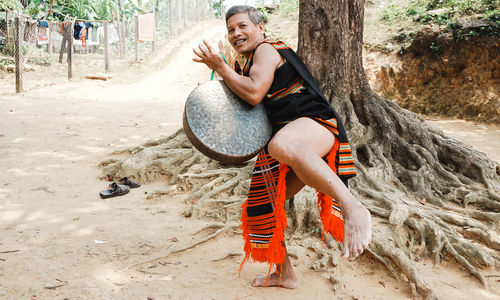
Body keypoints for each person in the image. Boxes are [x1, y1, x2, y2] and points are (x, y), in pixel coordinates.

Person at [193, 5, 371, 289]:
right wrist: (225, 71)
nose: (236, 33)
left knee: (281, 144)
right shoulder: (246, 63)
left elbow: (253, 94)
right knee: (262, 207)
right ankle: (284, 273)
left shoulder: (265, 49)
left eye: (242, 26)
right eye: (231, 30)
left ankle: (353, 208)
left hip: (315, 126)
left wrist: (221, 67)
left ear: (260, 27)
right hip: (287, 139)